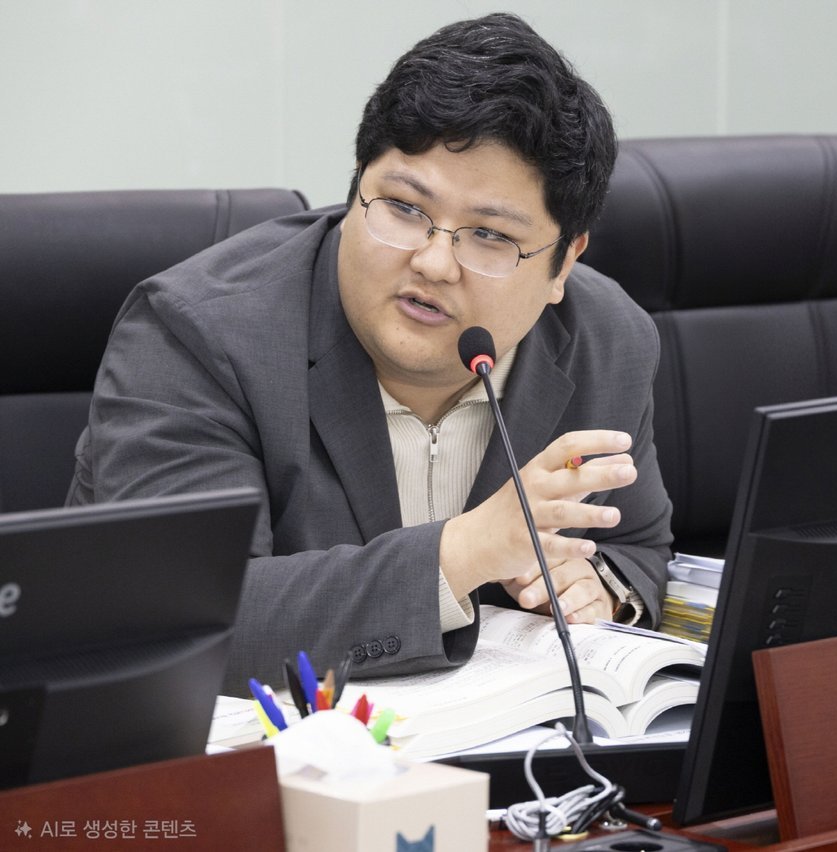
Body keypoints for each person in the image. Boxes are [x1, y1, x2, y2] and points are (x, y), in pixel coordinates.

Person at [68, 13, 672, 693]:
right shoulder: (199, 336)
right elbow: (187, 623)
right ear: (357, 183)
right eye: (405, 208)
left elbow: (638, 546)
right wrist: (463, 553)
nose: (434, 262)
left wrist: (598, 590)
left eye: (490, 236)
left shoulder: (606, 341)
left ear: (565, 261)